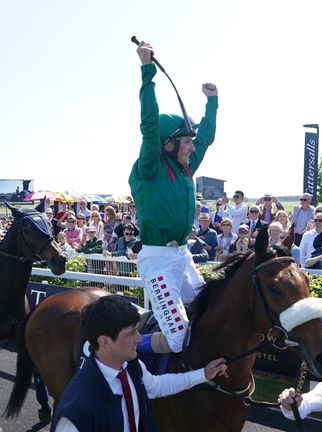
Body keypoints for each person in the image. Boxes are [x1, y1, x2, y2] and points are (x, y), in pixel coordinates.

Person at [127, 40, 218, 354]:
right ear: (167, 144)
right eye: (186, 142)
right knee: (179, 340)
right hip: (157, 263)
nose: (192, 148)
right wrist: (146, 70)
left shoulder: (184, 168)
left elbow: (205, 138)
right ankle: (126, 356)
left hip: (183, 256)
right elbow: (150, 125)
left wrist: (213, 103)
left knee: (210, 318)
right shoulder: (150, 167)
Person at [52, 295, 228, 432]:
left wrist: (203, 374)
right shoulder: (76, 411)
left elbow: (157, 386)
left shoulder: (132, 367)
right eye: (131, 333)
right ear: (104, 342)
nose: (139, 339)